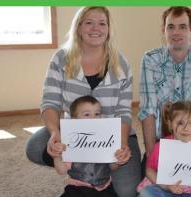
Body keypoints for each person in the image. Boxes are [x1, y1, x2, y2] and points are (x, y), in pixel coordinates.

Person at [25, 6, 141, 197]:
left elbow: (124, 112)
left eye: (102, 23)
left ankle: (93, 164)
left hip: (113, 135)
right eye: (89, 23)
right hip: (74, 133)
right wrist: (56, 134)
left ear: (109, 30)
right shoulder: (61, 59)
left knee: (127, 192)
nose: (96, 28)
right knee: (35, 147)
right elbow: (50, 103)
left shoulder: (121, 63)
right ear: (78, 28)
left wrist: (121, 144)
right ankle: (78, 167)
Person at [138, 6, 191, 189]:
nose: (176, 32)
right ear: (163, 30)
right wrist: (153, 158)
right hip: (164, 144)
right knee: (142, 190)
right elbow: (148, 112)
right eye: (171, 27)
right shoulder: (150, 60)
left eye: (182, 27)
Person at [53, 95, 127, 197]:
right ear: (74, 120)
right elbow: (61, 170)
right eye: (87, 114)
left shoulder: (107, 138)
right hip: (77, 187)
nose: (93, 118)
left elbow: (113, 167)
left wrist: (118, 160)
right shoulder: (70, 142)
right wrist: (57, 155)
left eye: (97, 114)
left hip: (103, 187)